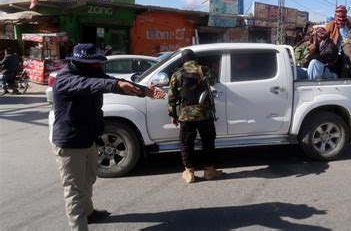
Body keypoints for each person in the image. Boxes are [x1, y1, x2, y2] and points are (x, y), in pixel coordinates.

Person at [51, 43, 166, 231]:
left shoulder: (92, 73)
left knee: (88, 181)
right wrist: (114, 84)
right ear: (80, 63)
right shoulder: (65, 79)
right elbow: (93, 85)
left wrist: (145, 91)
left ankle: (89, 213)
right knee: (74, 191)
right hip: (70, 144)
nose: (99, 67)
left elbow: (114, 83)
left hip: (89, 138)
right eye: (96, 63)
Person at [168, 49, 224, 184]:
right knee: (208, 142)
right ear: (195, 59)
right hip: (204, 113)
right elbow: (214, 81)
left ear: (183, 60)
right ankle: (209, 170)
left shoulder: (177, 74)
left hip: (186, 115)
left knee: (186, 143)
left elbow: (171, 97)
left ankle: (189, 172)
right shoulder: (204, 70)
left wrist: (173, 115)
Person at [326, 5, 351, 76]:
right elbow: (325, 35)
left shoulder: (348, 24)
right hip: (334, 52)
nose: (341, 17)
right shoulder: (331, 24)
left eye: (342, 14)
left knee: (345, 69)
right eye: (339, 13)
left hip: (346, 52)